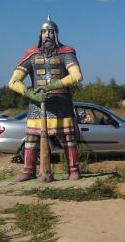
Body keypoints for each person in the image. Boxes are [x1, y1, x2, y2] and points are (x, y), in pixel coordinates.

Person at [8, 16, 83, 182]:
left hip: (61, 102)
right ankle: (29, 170)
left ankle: (73, 169)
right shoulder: (32, 54)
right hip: (37, 104)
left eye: (50, 31)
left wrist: (51, 86)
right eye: (44, 32)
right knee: (31, 139)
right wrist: (29, 93)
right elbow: (13, 82)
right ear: (39, 34)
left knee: (68, 139)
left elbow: (76, 76)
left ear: (56, 33)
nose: (47, 35)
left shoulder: (67, 52)